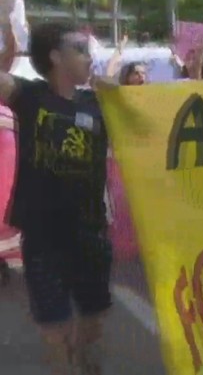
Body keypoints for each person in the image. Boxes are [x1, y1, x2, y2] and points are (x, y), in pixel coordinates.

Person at [0, 22, 118, 375]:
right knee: (56, 332)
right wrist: (7, 30)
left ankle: (85, 361)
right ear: (55, 56)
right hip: (44, 238)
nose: (89, 55)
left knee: (93, 325)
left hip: (91, 234)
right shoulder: (31, 97)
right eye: (79, 48)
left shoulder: (100, 104)